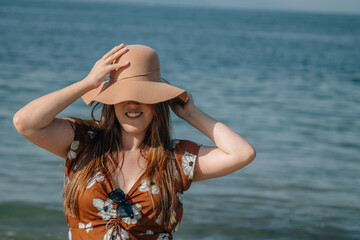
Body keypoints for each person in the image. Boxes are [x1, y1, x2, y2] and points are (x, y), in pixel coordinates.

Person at [13, 44, 256, 240]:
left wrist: (191, 113)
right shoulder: (83, 141)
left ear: (158, 103)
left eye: (144, 96)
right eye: (123, 95)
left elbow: (242, 153)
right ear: (111, 101)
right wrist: (87, 83)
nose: (133, 104)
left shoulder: (175, 158)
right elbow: (26, 122)